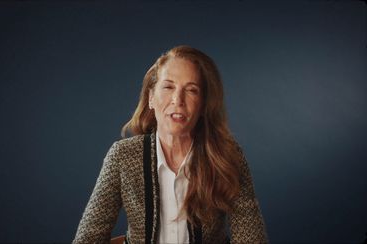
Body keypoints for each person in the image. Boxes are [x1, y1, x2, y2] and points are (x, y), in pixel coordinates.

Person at [73, 45, 268, 244]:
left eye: (191, 90)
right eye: (168, 87)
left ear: (203, 105)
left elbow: (252, 240)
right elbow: (87, 239)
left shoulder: (227, 155)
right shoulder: (122, 156)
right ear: (151, 98)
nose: (178, 99)